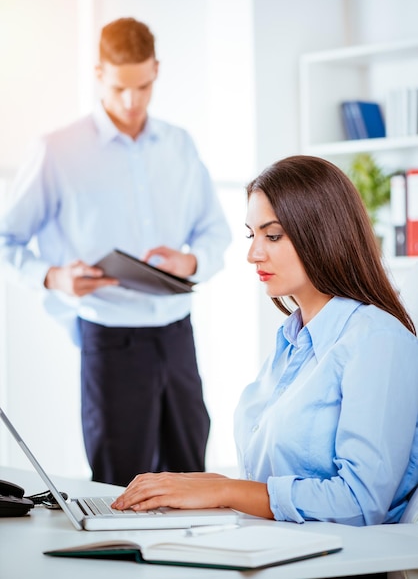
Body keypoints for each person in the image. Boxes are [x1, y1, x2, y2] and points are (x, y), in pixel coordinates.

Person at [112, 154, 418, 526]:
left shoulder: (376, 342)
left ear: (321, 232)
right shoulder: (293, 339)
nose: (253, 254)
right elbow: (269, 484)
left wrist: (225, 491)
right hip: (269, 546)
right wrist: (189, 486)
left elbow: (360, 501)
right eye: (251, 235)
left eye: (272, 235)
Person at [0, 17, 231, 487]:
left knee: (191, 474)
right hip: (110, 339)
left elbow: (214, 232)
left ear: (157, 70)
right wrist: (54, 276)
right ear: (99, 72)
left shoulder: (179, 145)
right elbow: (7, 239)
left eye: (144, 87)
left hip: (177, 334)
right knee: (118, 485)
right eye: (121, 87)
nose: (132, 102)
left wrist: (191, 262)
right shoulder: (57, 150)